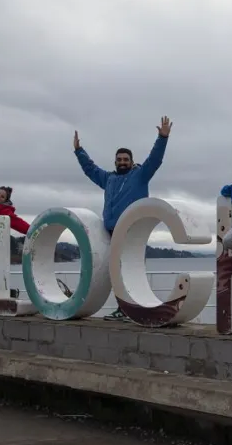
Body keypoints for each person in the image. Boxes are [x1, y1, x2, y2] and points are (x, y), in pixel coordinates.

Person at [73, 115, 172, 321]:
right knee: (116, 272)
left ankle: (129, 309)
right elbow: (90, 169)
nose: (122, 162)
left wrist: (162, 138)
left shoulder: (140, 175)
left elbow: (154, 160)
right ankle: (126, 309)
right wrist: (79, 151)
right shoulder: (108, 179)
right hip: (110, 232)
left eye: (126, 160)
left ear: (132, 161)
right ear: (115, 162)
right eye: (119, 160)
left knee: (127, 270)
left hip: (132, 231)